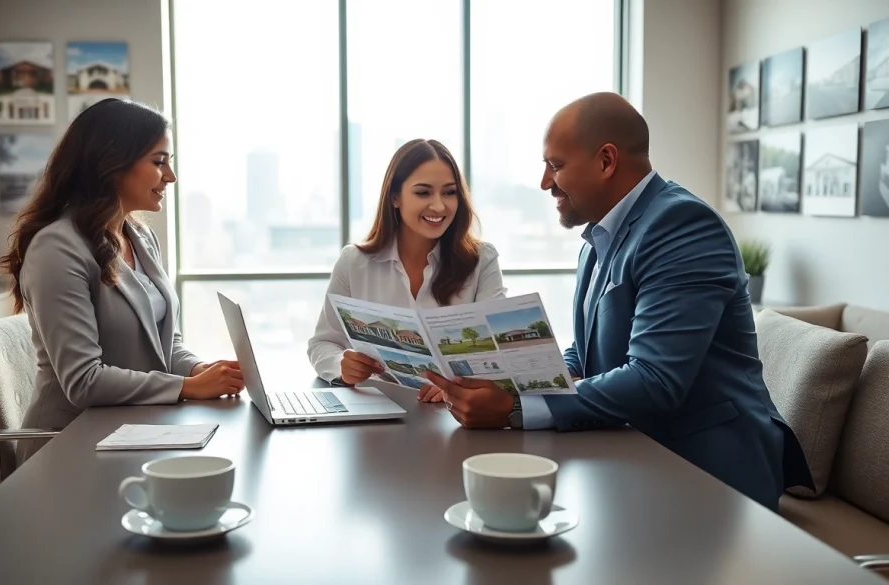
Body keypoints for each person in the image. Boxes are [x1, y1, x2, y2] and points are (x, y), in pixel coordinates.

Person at [425, 92, 813, 512]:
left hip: (709, 473)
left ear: (607, 161)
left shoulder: (682, 227)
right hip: (633, 452)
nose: (544, 182)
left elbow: (654, 379)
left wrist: (516, 409)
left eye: (555, 166)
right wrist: (510, 381)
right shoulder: (598, 238)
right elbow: (586, 354)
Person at [0, 99, 244, 464]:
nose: (171, 176)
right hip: (68, 449)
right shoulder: (56, 248)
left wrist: (196, 369)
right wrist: (187, 388)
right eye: (159, 162)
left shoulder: (140, 238)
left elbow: (163, 343)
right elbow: (84, 381)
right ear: (110, 164)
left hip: (134, 430)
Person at [308, 139, 506, 402]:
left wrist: (457, 384)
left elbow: (498, 352)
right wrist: (341, 365)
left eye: (449, 192)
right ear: (395, 197)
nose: (438, 206)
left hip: (453, 417)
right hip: (377, 415)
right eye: (423, 193)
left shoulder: (481, 260)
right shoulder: (354, 262)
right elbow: (323, 343)